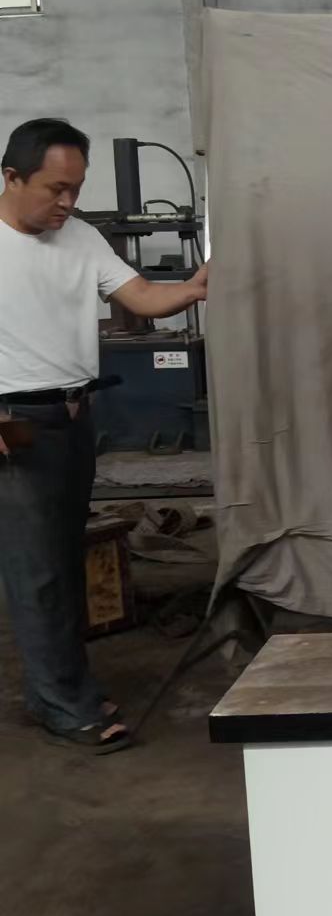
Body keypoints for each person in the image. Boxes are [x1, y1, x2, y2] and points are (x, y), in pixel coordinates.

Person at [0, 117, 209, 752]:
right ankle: (65, 704)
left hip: (72, 418)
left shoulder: (82, 236)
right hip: (14, 425)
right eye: (55, 189)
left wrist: (194, 288)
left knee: (63, 562)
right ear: (11, 177)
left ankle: (61, 689)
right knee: (37, 571)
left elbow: (139, 294)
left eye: (76, 188)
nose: (68, 202)